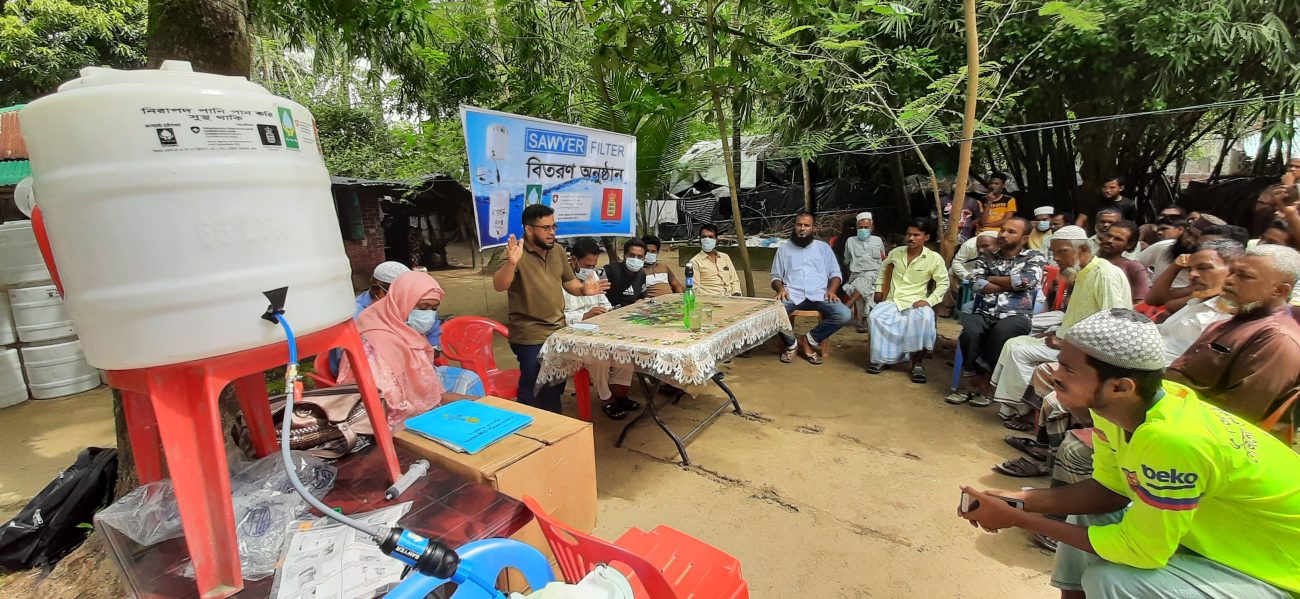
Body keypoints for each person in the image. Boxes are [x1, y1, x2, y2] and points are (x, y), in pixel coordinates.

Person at [960, 308, 1300, 599]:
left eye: (1069, 370)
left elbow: (1142, 552)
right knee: (1086, 518)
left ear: (1121, 386)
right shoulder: (1122, 409)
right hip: (1218, 541)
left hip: (1274, 572)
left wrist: (1018, 518)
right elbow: (1110, 491)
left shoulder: (1173, 439)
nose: (1055, 374)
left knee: (1113, 581)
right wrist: (1017, 500)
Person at [987, 226, 1131, 423]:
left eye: (1062, 251)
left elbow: (1115, 324)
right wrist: (1055, 332)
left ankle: (1020, 409)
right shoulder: (1081, 272)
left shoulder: (1104, 274)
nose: (1056, 258)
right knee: (1014, 343)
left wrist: (1066, 343)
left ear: (1083, 250)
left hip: (1090, 353)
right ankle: (1015, 406)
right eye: (1054, 253)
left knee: (1019, 350)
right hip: (1071, 341)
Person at [493, 204, 609, 413]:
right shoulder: (515, 253)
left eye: (553, 226)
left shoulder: (556, 251)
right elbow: (500, 285)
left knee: (554, 388)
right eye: (546, 228)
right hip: (530, 334)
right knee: (534, 389)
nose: (552, 232)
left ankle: (554, 430)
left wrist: (584, 290)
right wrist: (511, 263)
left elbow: (569, 282)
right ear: (529, 229)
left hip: (558, 330)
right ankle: (530, 433)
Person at [1166, 244, 1300, 422]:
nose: (1228, 281)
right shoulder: (1237, 319)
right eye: (1232, 272)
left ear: (1279, 290)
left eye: (1244, 276)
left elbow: (1238, 418)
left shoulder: (1277, 339)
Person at [948, 218, 1046, 407]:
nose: (1003, 234)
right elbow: (977, 283)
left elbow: (1026, 282)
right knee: (969, 330)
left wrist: (992, 278)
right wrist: (1009, 282)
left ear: (1024, 238)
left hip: (1016, 314)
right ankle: (977, 375)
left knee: (1003, 332)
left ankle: (981, 380)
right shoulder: (987, 255)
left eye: (1011, 232)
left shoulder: (1034, 256)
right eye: (1002, 230)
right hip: (985, 311)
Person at [337, 271, 447, 430]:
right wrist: (436, 413)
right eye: (423, 307)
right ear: (402, 302)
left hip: (417, 413)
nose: (428, 315)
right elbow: (389, 406)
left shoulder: (405, 330)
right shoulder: (375, 344)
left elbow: (428, 386)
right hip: (387, 426)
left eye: (434, 308)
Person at [562, 238, 638, 420]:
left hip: (598, 328)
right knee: (597, 355)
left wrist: (608, 311)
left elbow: (604, 302)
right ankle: (606, 397)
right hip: (572, 334)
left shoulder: (592, 276)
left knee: (627, 347)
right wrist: (584, 316)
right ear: (573, 260)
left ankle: (620, 392)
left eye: (594, 265)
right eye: (587, 264)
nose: (591, 269)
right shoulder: (558, 281)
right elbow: (557, 317)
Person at [866, 218, 948, 382]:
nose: (910, 238)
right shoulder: (896, 253)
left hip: (916, 301)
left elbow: (943, 283)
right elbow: (883, 270)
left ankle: (917, 363)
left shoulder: (934, 258)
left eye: (916, 235)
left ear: (926, 237)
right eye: (908, 234)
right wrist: (878, 289)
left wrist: (930, 301)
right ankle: (882, 359)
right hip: (893, 300)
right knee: (875, 317)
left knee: (924, 318)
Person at [771, 211, 851, 365]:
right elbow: (775, 276)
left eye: (806, 225)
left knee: (844, 314)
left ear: (813, 228)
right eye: (799, 225)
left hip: (820, 295)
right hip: (791, 294)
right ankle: (791, 344)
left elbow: (835, 273)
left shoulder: (823, 248)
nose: (802, 228)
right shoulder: (783, 249)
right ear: (794, 227)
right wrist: (780, 290)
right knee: (771, 313)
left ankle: (808, 340)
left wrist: (832, 291)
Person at [1151, 240, 1239, 364]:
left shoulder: (1228, 315)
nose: (1192, 274)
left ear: (1233, 271)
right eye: (1189, 269)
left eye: (1203, 268)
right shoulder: (1197, 301)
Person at [841, 212, 886, 333]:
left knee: (867, 278)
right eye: (860, 227)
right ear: (856, 228)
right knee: (863, 287)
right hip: (856, 274)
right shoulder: (850, 241)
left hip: (875, 274)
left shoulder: (878, 241)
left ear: (871, 228)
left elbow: (883, 259)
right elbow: (846, 261)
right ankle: (863, 321)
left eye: (866, 227)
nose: (863, 230)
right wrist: (849, 276)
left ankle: (849, 304)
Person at [1096, 220, 1148, 303]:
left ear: (1129, 244)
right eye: (1108, 235)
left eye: (1118, 239)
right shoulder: (1088, 262)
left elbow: (1140, 304)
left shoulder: (1133, 268)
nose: (1110, 240)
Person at [689, 224, 742, 296]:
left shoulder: (725, 257)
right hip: (711, 300)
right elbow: (695, 289)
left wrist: (736, 294)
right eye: (704, 237)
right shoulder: (694, 262)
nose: (707, 240)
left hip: (731, 297)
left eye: (711, 237)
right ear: (700, 240)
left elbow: (734, 280)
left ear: (716, 239)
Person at [605, 238, 649, 308]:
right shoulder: (609, 271)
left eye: (640, 256)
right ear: (625, 256)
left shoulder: (642, 274)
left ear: (644, 259)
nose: (635, 259)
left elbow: (642, 296)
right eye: (632, 255)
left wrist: (639, 302)